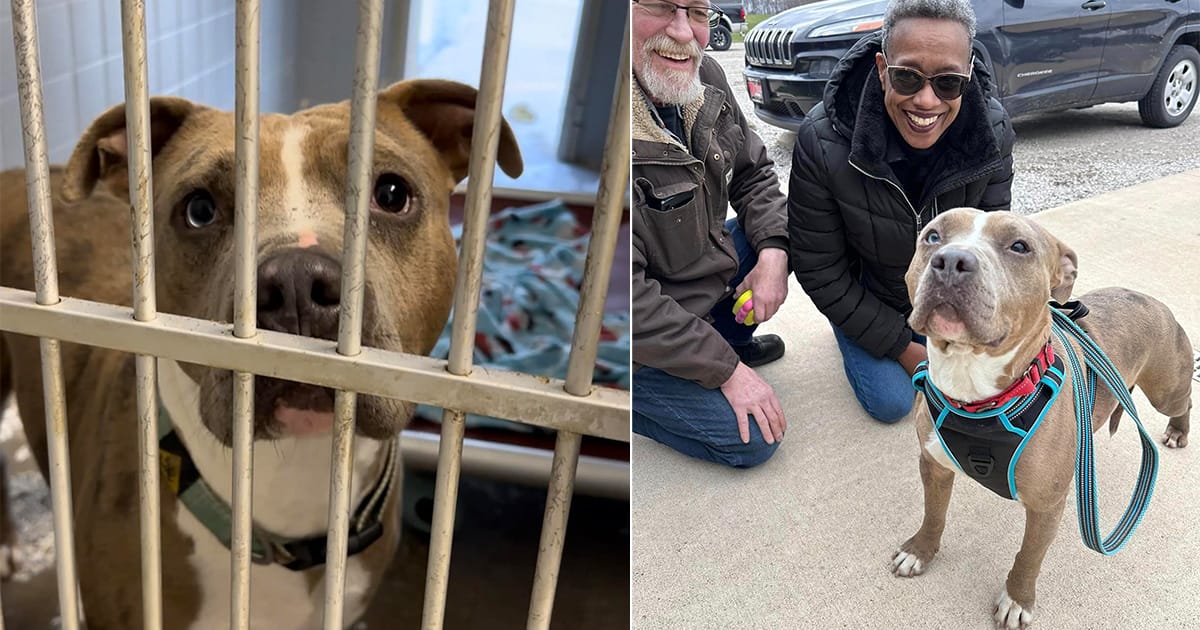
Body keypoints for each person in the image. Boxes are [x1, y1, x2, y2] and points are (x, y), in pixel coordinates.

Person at [788, 0, 1015, 423]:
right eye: (907, 77)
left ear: (968, 74)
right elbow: (819, 269)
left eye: (948, 83)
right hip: (870, 296)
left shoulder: (994, 133)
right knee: (893, 403)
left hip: (950, 286)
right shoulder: (821, 141)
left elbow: (991, 249)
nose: (927, 101)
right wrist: (901, 347)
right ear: (881, 68)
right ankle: (850, 333)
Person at [631, 0, 791, 468]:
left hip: (696, 277)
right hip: (635, 336)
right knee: (755, 444)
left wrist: (774, 257)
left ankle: (728, 344)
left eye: (697, 12)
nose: (683, 33)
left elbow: (755, 175)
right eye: (661, 6)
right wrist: (725, 372)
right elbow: (622, 299)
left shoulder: (708, 78)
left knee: (778, 235)